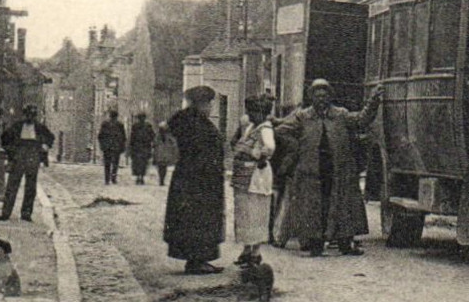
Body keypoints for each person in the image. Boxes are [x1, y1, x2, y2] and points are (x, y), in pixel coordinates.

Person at [274, 79, 381, 256]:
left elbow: (362, 120)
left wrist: (373, 101)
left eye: (325, 95)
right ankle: (315, 244)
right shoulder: (303, 116)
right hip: (313, 171)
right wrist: (298, 147)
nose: (321, 99)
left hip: (338, 169)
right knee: (315, 208)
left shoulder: (340, 114)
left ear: (330, 97)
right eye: (317, 95)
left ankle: (345, 243)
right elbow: (281, 131)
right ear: (311, 97)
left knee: (342, 205)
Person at [163, 85, 226, 274]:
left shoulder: (187, 120)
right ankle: (197, 260)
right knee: (199, 218)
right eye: (209, 104)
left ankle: (197, 259)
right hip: (199, 180)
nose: (211, 108)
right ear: (201, 104)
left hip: (191, 178)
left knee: (193, 218)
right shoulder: (196, 123)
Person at [230, 96, 278, 265]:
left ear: (261, 113)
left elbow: (270, 147)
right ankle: (246, 249)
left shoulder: (265, 129)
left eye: (252, 112)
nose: (249, 114)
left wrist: (257, 155)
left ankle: (255, 252)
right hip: (244, 175)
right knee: (244, 212)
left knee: (256, 212)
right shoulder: (250, 126)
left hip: (257, 176)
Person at [0, 104, 55, 222]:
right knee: (12, 185)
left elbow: (50, 138)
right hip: (18, 158)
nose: (30, 117)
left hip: (33, 158)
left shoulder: (40, 128)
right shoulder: (17, 127)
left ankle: (26, 213)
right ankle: (6, 212)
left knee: (31, 187)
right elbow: (4, 138)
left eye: (33, 115)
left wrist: (45, 146)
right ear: (25, 115)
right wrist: (11, 151)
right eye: (28, 115)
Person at [98, 109, 127, 184]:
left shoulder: (105, 124)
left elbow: (100, 135)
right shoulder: (119, 125)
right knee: (115, 163)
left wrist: (102, 145)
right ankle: (113, 177)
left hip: (107, 147)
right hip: (116, 147)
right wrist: (122, 146)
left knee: (107, 163)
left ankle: (107, 179)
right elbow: (123, 137)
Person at [128, 113, 156, 184]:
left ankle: (138, 177)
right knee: (143, 162)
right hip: (145, 147)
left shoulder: (135, 126)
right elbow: (153, 136)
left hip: (137, 147)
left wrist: (131, 146)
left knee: (138, 162)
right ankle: (141, 177)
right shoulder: (148, 126)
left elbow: (132, 137)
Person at [153, 122, 179, 186]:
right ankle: (161, 179)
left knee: (163, 167)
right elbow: (154, 144)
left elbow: (174, 143)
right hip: (160, 153)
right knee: (160, 167)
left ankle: (162, 179)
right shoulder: (157, 136)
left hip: (165, 153)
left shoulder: (169, 136)